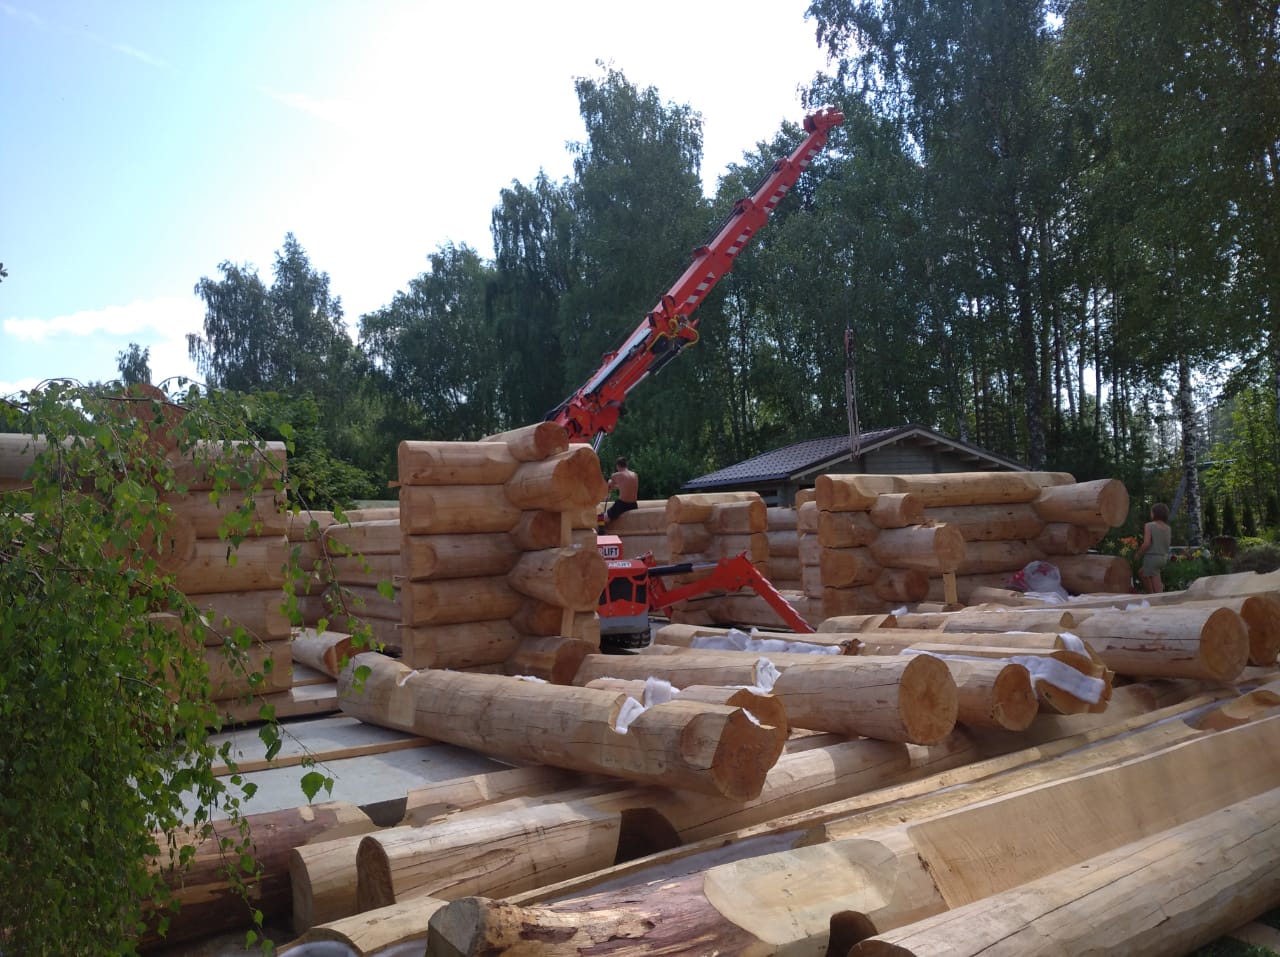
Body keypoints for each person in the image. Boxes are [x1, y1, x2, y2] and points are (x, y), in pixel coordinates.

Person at [1135, 502, 1172, 593]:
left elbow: (1147, 543)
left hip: (1152, 558)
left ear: (1155, 513)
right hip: (1163, 558)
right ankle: (1151, 595)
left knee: (1157, 589)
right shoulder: (1168, 528)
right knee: (1142, 572)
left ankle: (1154, 597)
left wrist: (1138, 554)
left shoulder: (1149, 525)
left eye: (1151, 512)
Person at [605, 456, 639, 523]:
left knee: (601, 517)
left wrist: (609, 482)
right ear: (626, 465)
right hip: (633, 504)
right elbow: (625, 486)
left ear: (617, 466)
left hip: (622, 504)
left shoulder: (616, 475)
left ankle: (599, 529)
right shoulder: (635, 475)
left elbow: (611, 486)